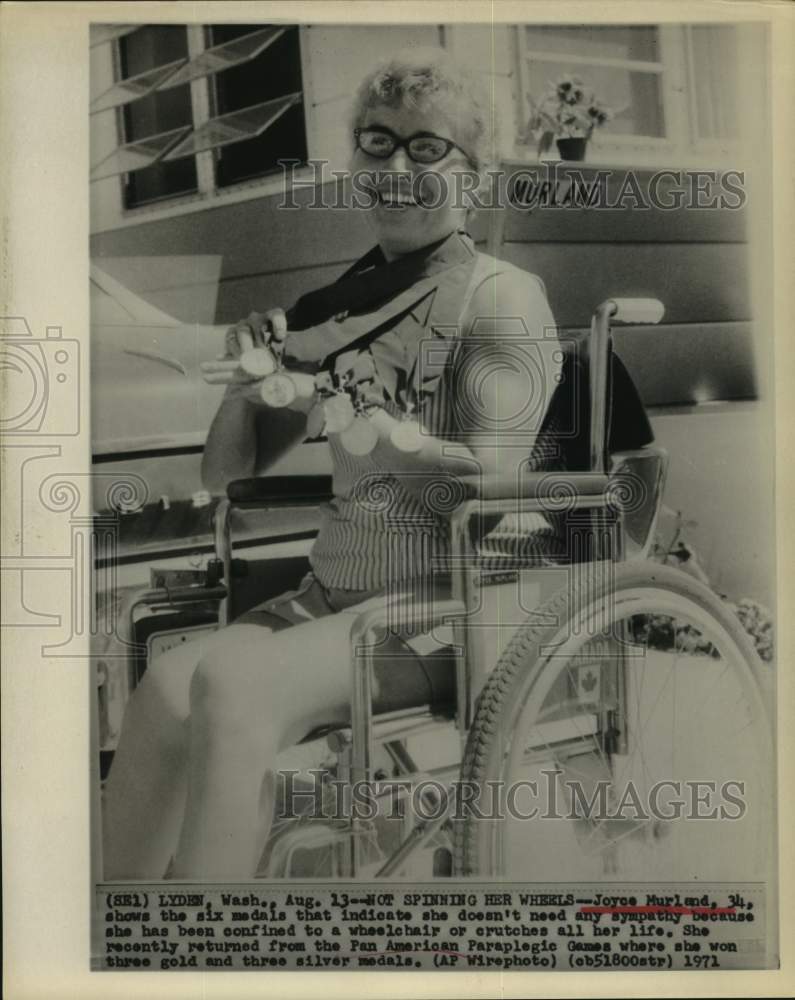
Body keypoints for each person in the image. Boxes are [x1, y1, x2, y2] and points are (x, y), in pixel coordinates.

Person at [102, 47, 578, 881]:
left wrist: (375, 429)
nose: (395, 166)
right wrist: (248, 383)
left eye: (426, 148)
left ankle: (209, 949)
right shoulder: (332, 306)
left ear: (472, 173)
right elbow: (226, 475)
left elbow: (493, 482)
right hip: (333, 601)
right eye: (376, 141)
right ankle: (121, 938)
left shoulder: (500, 297)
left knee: (235, 689)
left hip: (450, 604)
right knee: (162, 694)